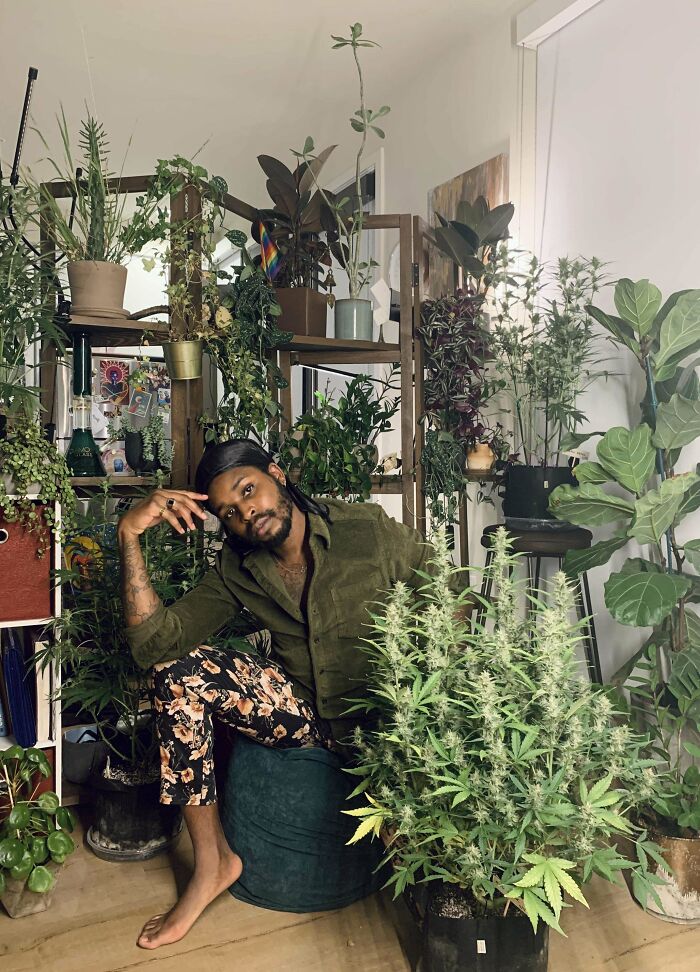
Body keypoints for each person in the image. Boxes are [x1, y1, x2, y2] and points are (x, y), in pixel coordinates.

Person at [118, 438, 463, 949]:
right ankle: (213, 865)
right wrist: (129, 534)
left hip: (389, 716)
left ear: (277, 474)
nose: (245, 512)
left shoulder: (364, 530)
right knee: (176, 671)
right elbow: (153, 645)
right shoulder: (239, 570)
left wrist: (426, 696)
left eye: (249, 490)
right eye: (229, 512)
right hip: (304, 714)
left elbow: (448, 594)